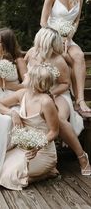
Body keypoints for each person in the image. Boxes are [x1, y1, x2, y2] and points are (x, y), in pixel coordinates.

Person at [25, 27, 91, 176]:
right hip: (33, 95)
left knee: (58, 119)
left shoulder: (58, 59)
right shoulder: (31, 53)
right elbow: (24, 73)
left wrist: (50, 93)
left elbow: (65, 84)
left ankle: (82, 157)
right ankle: (42, 161)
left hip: (58, 94)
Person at [0, 64, 59, 190]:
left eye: (28, 74)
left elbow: (54, 132)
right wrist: (12, 113)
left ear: (35, 80)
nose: (24, 75)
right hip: (21, 148)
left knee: (9, 176)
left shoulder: (46, 102)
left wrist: (36, 147)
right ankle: (37, 173)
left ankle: (47, 172)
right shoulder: (23, 94)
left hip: (41, 152)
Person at [40, 0, 90, 116]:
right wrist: (56, 37)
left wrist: (68, 37)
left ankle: (80, 101)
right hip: (49, 36)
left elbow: (75, 22)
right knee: (67, 59)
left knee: (79, 56)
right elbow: (43, 22)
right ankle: (66, 96)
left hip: (67, 38)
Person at [0, 28, 27, 184]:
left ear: (7, 44)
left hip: (13, 101)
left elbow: (28, 86)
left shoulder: (18, 60)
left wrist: (7, 84)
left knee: (5, 122)